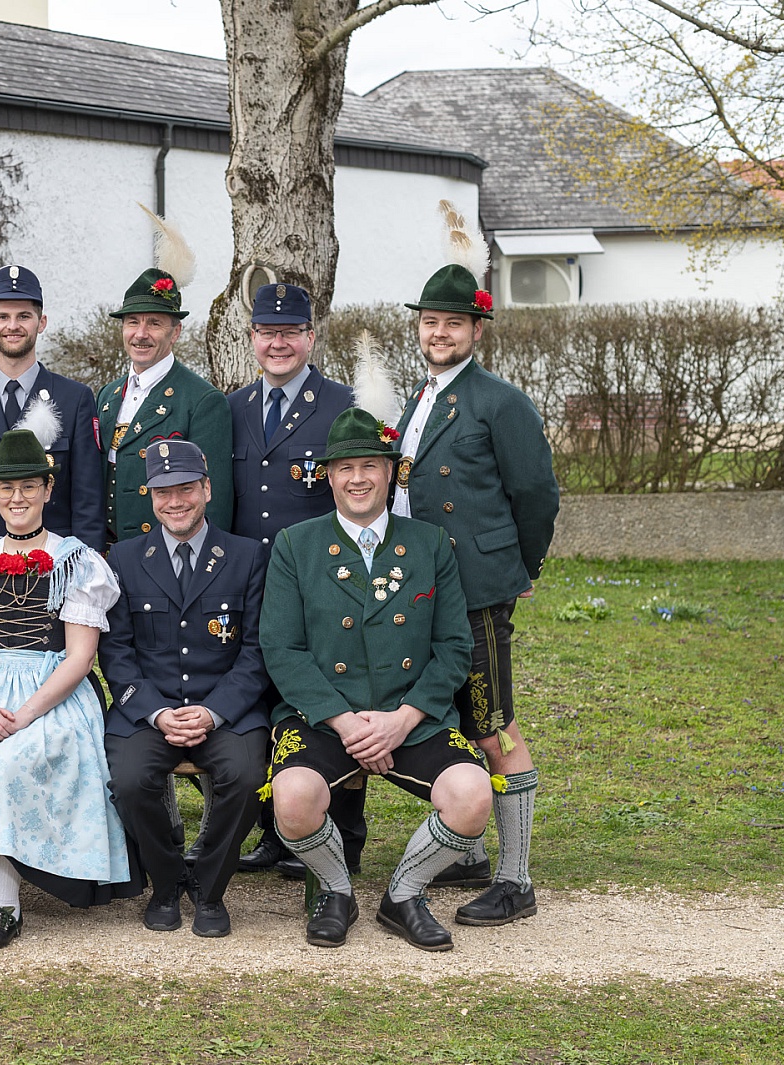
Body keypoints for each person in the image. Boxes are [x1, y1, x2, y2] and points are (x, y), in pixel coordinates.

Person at [261, 407, 494, 952]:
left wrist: (402, 720)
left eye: (370, 465)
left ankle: (404, 895)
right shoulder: (295, 545)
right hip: (324, 717)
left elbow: (453, 646)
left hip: (411, 716)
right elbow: (282, 650)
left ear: (391, 472)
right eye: (345, 468)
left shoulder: (430, 543)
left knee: (472, 796)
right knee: (292, 801)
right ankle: (336, 892)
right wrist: (345, 723)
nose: (358, 478)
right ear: (329, 477)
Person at [0, 405, 136, 950]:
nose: (17, 498)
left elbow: (79, 657)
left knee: (10, 763)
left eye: (28, 487)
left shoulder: (76, 561)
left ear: (47, 489)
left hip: (49, 688)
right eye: (6, 488)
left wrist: (23, 716)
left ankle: (6, 908)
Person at [394, 261, 559, 926]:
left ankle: (516, 880)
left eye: (453, 324)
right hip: (431, 587)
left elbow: (536, 493)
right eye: (430, 322)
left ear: (477, 330)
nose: (439, 332)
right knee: (456, 720)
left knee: (493, 724)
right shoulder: (423, 395)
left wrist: (519, 567)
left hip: (478, 591)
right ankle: (468, 851)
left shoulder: (500, 400)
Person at [99, 440, 269, 938]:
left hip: (227, 709)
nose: (175, 502)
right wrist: (156, 713)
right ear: (150, 496)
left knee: (246, 778)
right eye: (163, 492)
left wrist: (214, 712)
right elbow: (117, 653)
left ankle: (210, 890)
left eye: (186, 489)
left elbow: (257, 650)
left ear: (207, 489)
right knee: (129, 781)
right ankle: (168, 882)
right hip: (149, 711)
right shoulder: (124, 558)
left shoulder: (247, 557)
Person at [225, 282, 362, 882]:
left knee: (332, 699)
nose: (277, 343)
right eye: (266, 332)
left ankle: (343, 836)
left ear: (310, 337)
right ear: (252, 338)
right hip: (250, 584)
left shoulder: (341, 406)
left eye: (289, 332)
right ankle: (275, 830)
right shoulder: (231, 408)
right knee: (258, 704)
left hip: (320, 585)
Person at [0, 265, 105, 553]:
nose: (13, 326)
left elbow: (88, 500)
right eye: (2, 317)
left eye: (24, 316)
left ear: (41, 322)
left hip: (55, 559)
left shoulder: (74, 399)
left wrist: (83, 565)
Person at [97, 268, 233, 544]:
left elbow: (214, 502)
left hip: (165, 555)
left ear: (175, 332)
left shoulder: (203, 401)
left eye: (154, 323)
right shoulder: (107, 395)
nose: (140, 334)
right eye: (132, 322)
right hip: (107, 554)